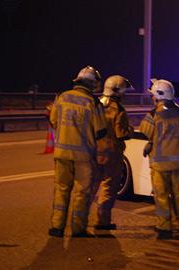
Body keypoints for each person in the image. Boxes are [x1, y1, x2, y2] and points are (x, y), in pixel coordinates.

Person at [48, 65, 107, 238]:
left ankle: (56, 227)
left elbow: (53, 121)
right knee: (82, 192)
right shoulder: (93, 102)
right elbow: (100, 131)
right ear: (92, 84)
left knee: (61, 189)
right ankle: (78, 228)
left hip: (61, 154)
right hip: (83, 156)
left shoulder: (62, 97)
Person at [139, 79, 179, 240]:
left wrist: (151, 142)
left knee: (161, 196)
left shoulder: (153, 114)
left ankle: (164, 227)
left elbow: (145, 132)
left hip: (160, 164)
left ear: (157, 96)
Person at [92, 75, 134, 230]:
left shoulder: (95, 105)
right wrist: (129, 130)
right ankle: (102, 221)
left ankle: (79, 220)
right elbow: (121, 134)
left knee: (90, 187)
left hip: (94, 152)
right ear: (118, 91)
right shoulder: (118, 109)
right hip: (112, 154)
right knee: (108, 188)